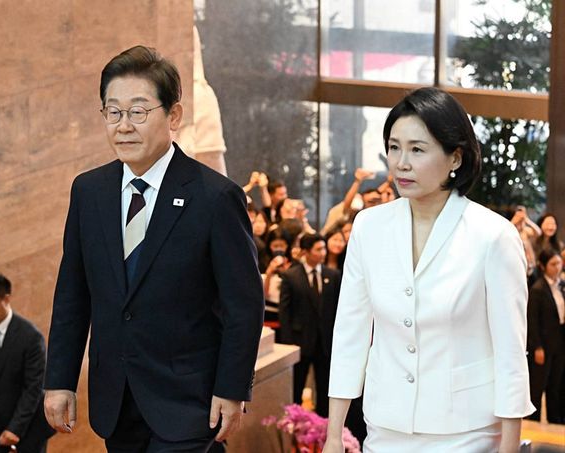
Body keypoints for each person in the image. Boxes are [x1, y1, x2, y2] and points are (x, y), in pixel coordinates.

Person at [43, 45, 264, 452]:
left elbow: (244, 306)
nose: (124, 126)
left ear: (173, 116)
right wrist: (59, 380)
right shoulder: (89, 191)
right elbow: (72, 294)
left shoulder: (215, 198)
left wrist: (232, 388)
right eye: (113, 112)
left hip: (190, 402)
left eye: (138, 112)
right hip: (116, 400)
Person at [324, 87, 533, 453]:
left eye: (417, 150)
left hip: (466, 431)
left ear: (455, 158)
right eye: (394, 147)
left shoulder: (492, 235)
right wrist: (333, 435)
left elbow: (510, 352)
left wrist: (510, 446)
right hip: (385, 426)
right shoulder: (369, 227)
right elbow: (349, 333)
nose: (401, 163)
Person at [0, 272, 54, 453]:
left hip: (28, 424)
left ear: (6, 299)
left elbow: (33, 389)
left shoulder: (31, 337)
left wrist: (15, 428)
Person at [279, 233, 342, 418]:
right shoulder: (291, 276)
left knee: (324, 387)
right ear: (306, 252)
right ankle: (294, 423)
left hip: (325, 342)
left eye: (323, 248)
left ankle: (323, 425)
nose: (323, 253)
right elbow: (285, 312)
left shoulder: (333, 275)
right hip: (300, 340)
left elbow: (337, 309)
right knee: (297, 386)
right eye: (318, 249)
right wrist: (289, 342)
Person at [527, 249, 565, 424]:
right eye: (553, 264)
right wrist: (537, 347)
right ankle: (533, 422)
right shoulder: (538, 289)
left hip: (560, 343)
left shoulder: (561, 285)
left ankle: (555, 420)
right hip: (544, 345)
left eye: (559, 263)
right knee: (538, 386)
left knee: (556, 385)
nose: (557, 267)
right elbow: (532, 321)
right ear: (543, 266)